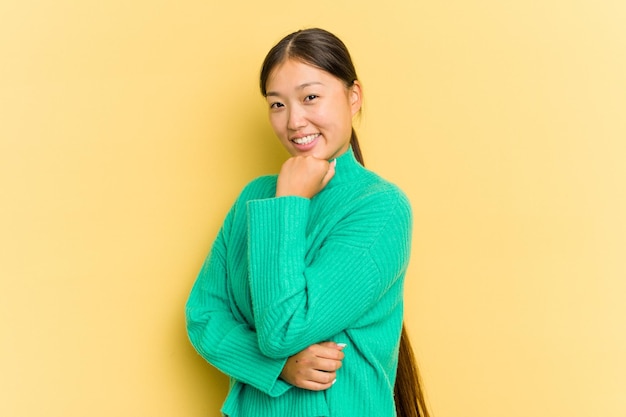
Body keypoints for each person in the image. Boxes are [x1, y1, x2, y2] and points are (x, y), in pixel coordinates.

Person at [186, 28, 430, 417]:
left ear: (354, 97)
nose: (294, 121)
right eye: (277, 104)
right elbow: (204, 315)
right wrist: (276, 367)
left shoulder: (381, 208)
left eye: (310, 97)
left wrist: (290, 201)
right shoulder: (254, 197)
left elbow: (285, 328)